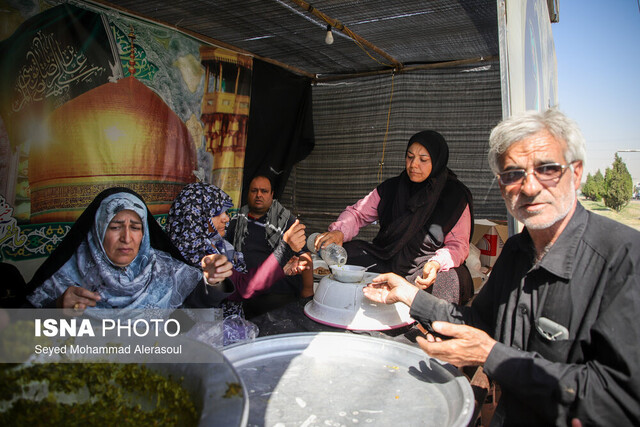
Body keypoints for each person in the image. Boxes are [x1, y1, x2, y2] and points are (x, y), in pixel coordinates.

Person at [363, 109, 640, 426]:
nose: (530, 187)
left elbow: (622, 396)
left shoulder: (624, 259)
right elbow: (480, 322)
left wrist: (490, 356)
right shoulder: (516, 251)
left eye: (547, 169)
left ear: (576, 174)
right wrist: (409, 295)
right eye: (513, 173)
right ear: (501, 185)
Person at [315, 130, 474, 304]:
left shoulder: (454, 196)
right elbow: (358, 213)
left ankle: (425, 322)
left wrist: (436, 264)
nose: (413, 165)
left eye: (423, 159)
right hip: (387, 258)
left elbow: (458, 245)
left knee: (452, 279)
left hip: (424, 269)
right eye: (410, 157)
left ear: (437, 161)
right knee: (345, 253)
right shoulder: (392, 188)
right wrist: (339, 232)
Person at [26, 188, 234, 311]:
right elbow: (16, 332)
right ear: (98, 231)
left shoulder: (164, 271)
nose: (126, 238)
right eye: (115, 227)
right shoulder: (65, 277)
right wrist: (55, 310)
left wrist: (212, 281)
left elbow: (192, 312)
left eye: (135, 228)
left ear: (144, 235)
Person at [166, 182, 308, 318]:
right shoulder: (195, 253)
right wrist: (285, 248)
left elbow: (242, 280)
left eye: (226, 212)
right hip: (205, 334)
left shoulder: (216, 244)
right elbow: (243, 287)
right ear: (196, 217)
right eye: (217, 214)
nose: (226, 218)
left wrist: (281, 268)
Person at [226, 174, 314, 318]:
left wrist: (307, 292)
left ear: (272, 194)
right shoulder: (236, 221)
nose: (258, 195)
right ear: (248, 193)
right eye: (254, 191)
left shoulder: (286, 221)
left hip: (278, 293)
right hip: (245, 290)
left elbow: (304, 255)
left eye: (264, 191)